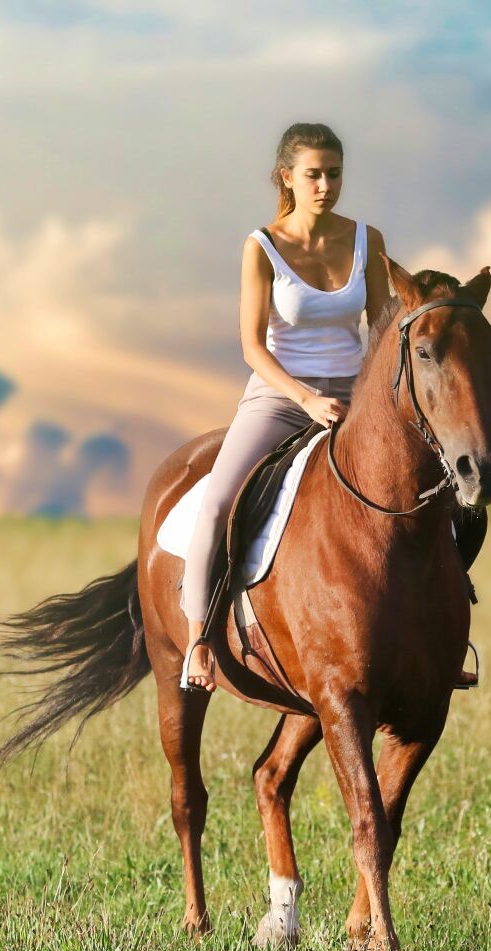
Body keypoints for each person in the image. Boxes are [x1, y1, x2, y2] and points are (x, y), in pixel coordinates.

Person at [178, 121, 386, 691]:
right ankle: (199, 640)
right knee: (219, 502)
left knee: (437, 492)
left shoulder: (368, 239)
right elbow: (251, 345)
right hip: (281, 396)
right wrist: (307, 399)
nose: (325, 185)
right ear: (287, 178)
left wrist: (369, 395)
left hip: (354, 393)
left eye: (334, 174)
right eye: (313, 174)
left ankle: (437, 632)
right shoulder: (262, 246)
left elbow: (384, 326)